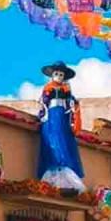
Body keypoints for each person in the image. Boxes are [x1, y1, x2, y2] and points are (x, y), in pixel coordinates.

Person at [36, 61, 85, 193]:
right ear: (52, 75)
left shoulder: (66, 89)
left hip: (63, 117)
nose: (58, 76)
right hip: (52, 116)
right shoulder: (48, 88)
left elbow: (72, 103)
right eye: (56, 74)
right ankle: (52, 180)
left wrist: (73, 105)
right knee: (54, 142)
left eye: (61, 74)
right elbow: (43, 102)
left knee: (64, 143)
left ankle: (67, 181)